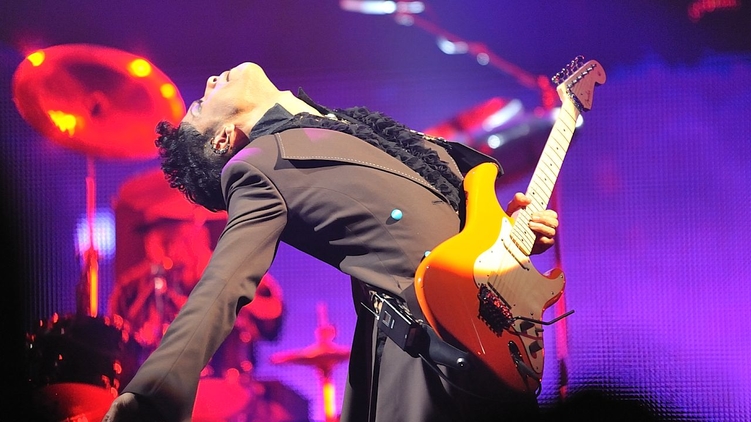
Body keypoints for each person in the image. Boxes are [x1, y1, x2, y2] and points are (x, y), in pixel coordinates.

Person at [103, 62, 559, 422]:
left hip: (495, 342)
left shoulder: (352, 125)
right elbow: (221, 287)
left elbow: (447, 221)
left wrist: (508, 233)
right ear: (224, 138)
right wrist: (151, 396)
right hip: (432, 364)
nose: (208, 82)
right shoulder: (258, 165)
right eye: (202, 104)